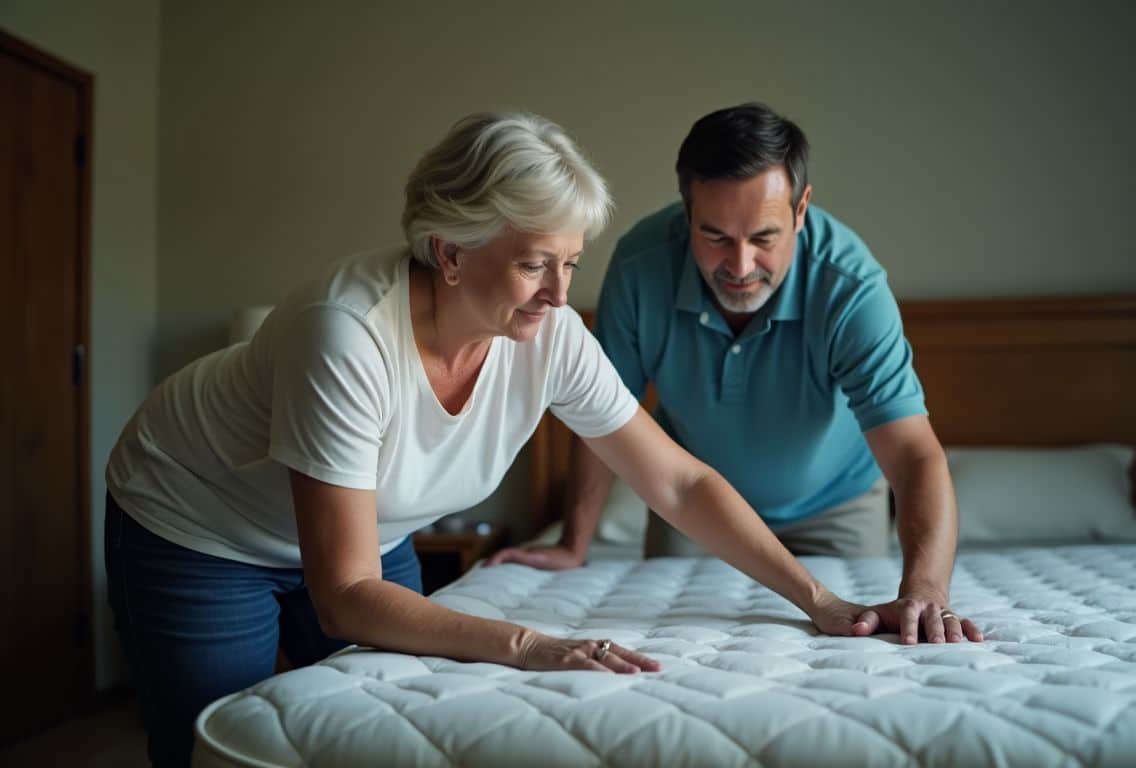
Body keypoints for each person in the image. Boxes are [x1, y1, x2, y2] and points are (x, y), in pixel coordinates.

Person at [105, 111, 930, 767]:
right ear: (450, 252)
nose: (557, 295)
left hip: (366, 535)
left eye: (572, 264)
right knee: (212, 745)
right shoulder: (345, 334)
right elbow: (346, 590)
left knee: (380, 729)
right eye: (537, 263)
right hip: (201, 527)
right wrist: (530, 644)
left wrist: (819, 602)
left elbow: (676, 483)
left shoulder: (552, 335)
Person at [488, 103, 983, 648]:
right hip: (692, 512)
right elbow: (599, 413)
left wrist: (927, 588)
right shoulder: (640, 268)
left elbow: (914, 453)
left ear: (801, 210)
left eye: (764, 237)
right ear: (686, 211)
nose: (741, 265)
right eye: (716, 236)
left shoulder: (850, 287)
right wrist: (574, 543)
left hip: (834, 507)